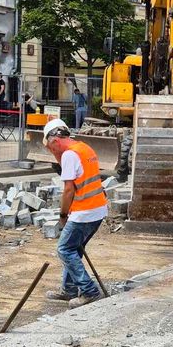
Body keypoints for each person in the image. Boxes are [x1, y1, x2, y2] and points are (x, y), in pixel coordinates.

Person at [41, 118, 107, 308]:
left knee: (65, 249)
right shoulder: (84, 148)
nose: (53, 151)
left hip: (84, 212)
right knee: (74, 249)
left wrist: (63, 216)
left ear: (55, 140)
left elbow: (69, 189)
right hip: (97, 209)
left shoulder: (69, 155)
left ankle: (89, 291)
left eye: (51, 147)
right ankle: (69, 289)